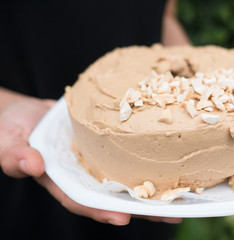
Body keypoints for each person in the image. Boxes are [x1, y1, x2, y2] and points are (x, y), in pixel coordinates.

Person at [0, 0, 190, 239]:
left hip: (158, 169)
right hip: (33, 153)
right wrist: (5, 105)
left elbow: (165, 16)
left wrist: (191, 79)